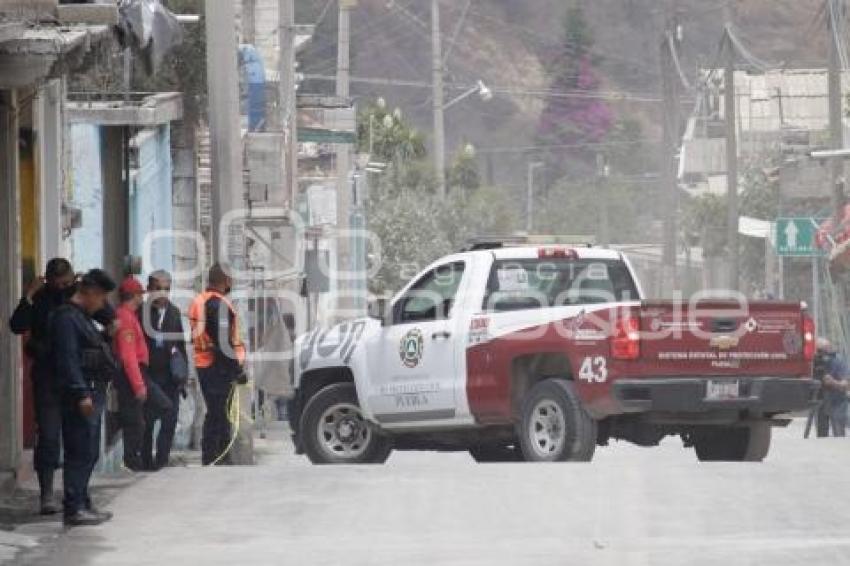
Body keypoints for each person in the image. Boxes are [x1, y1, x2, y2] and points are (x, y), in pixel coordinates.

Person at [50, 269, 118, 526]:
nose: (103, 305)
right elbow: (68, 360)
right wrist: (81, 393)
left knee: (88, 451)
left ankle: (82, 501)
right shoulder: (66, 319)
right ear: (90, 294)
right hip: (81, 394)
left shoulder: (82, 317)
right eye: (101, 298)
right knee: (79, 451)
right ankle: (74, 507)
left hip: (91, 390)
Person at [9, 258, 76, 515]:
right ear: (48, 281)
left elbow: (103, 317)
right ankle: (47, 494)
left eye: (67, 283)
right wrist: (28, 295)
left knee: (76, 438)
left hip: (74, 378)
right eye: (58, 284)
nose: (64, 288)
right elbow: (17, 325)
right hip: (48, 378)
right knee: (48, 437)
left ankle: (74, 493)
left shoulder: (77, 297)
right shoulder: (41, 299)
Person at [188, 263, 247, 466]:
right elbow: (224, 343)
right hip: (217, 367)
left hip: (205, 363)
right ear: (226, 280)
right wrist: (237, 370)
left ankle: (214, 456)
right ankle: (217, 457)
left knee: (215, 411)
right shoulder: (218, 305)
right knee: (220, 413)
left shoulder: (202, 301)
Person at [139, 270, 187, 470]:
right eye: (158, 288)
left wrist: (184, 373)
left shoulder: (174, 312)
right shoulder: (141, 312)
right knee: (148, 420)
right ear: (149, 289)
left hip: (170, 375)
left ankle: (162, 460)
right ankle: (146, 461)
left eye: (166, 289)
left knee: (170, 419)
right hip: (149, 374)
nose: (162, 293)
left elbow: (180, 343)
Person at [113, 277, 149, 470]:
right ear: (134, 296)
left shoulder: (127, 315)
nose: (141, 298)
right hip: (131, 375)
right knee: (134, 421)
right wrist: (139, 385)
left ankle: (134, 459)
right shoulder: (126, 318)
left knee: (137, 419)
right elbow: (128, 356)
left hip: (133, 372)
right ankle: (132, 461)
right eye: (140, 295)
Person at [814, 338, 850, 437]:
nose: (822, 355)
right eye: (819, 351)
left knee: (838, 432)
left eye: (825, 351)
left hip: (837, 401)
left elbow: (847, 384)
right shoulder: (813, 362)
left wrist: (834, 382)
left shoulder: (838, 361)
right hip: (820, 400)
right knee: (821, 435)